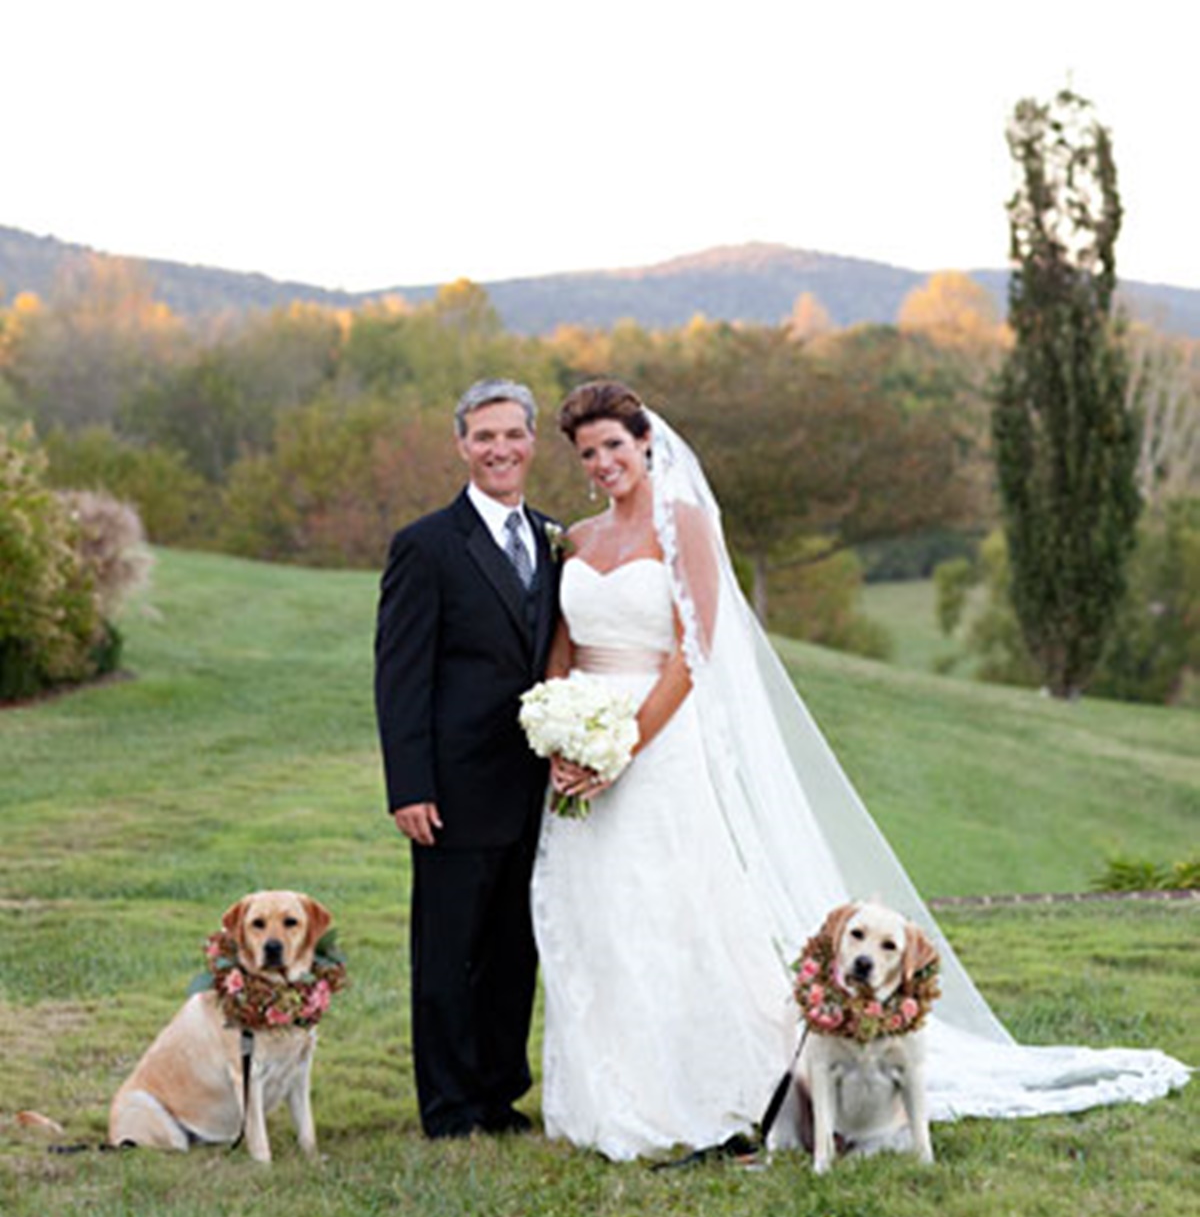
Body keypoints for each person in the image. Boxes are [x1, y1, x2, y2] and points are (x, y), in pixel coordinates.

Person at [530, 380, 1189, 1162]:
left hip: (659, 743)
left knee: (670, 908)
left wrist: (626, 744)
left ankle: (692, 1088)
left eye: (614, 444)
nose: (603, 462)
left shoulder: (687, 525)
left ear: (645, 442)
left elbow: (694, 650)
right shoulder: (575, 536)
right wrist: (562, 734)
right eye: (587, 452)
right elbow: (564, 645)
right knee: (591, 911)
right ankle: (602, 1094)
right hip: (582, 749)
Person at [375, 379, 561, 1138]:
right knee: (449, 955)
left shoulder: (555, 538)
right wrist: (409, 784)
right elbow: (400, 672)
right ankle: (450, 1106)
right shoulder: (425, 544)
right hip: (452, 788)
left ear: (531, 441)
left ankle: (497, 1092)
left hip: (533, 789)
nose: (499, 449)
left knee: (515, 952)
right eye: (483, 436)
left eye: (512, 434)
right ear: (461, 444)